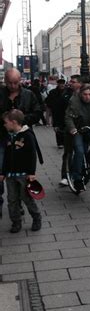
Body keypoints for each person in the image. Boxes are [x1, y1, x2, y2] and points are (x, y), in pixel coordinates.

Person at [0, 68, 42, 216]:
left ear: (20, 81)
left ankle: (19, 202)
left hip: (22, 138)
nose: (12, 86)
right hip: (2, 137)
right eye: (10, 83)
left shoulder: (28, 95)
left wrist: (20, 122)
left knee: (20, 172)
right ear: (5, 81)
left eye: (16, 82)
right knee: (1, 169)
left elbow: (38, 112)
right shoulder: (1, 94)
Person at [0, 109, 42, 233]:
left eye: (5, 122)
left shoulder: (27, 135)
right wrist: (3, 172)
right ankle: (16, 222)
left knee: (27, 198)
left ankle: (36, 217)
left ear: (13, 122)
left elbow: (32, 155)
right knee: (12, 199)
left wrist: (31, 173)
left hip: (24, 175)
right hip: (11, 175)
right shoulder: (9, 136)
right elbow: (6, 157)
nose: (4, 124)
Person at [45, 79, 67, 147]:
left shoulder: (68, 92)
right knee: (58, 127)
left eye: (63, 83)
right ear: (58, 84)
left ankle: (65, 141)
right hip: (56, 113)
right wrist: (52, 107)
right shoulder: (53, 92)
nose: (62, 85)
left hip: (66, 112)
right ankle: (60, 143)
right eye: (60, 83)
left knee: (65, 127)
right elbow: (48, 101)